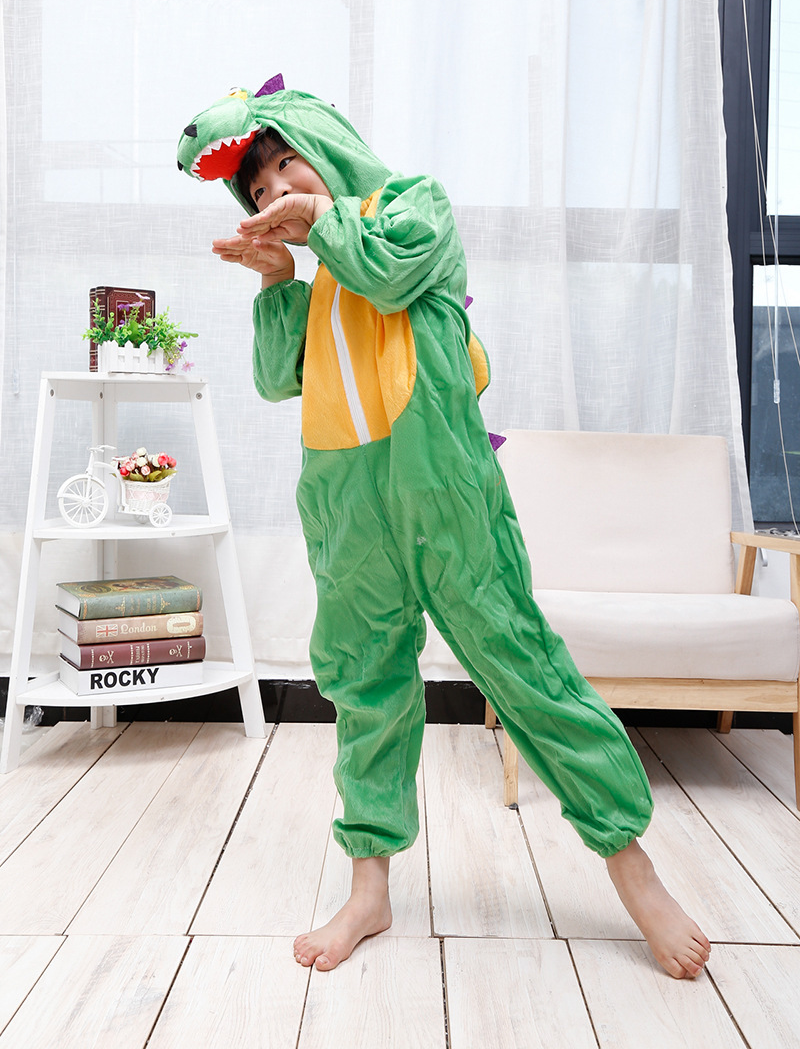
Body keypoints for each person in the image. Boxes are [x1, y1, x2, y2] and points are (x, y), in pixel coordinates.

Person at [177, 80, 711, 980]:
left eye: (286, 165)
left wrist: (319, 220)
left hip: (443, 490)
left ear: (327, 145)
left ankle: (633, 867)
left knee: (518, 662)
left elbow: (390, 275)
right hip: (349, 503)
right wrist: (276, 281)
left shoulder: (411, 208)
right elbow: (278, 379)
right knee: (365, 683)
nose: (275, 191)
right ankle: (369, 888)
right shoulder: (320, 271)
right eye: (258, 190)